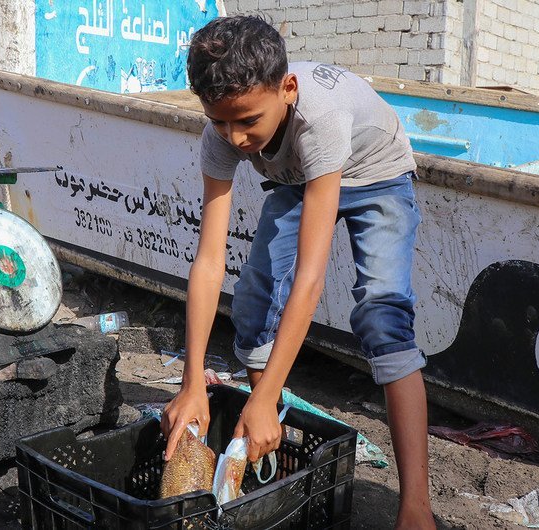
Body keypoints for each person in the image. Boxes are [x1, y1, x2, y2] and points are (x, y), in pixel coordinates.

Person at [160, 15, 435, 529]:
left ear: (287, 89)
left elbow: (311, 276)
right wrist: (191, 379)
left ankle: (416, 504)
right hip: (299, 177)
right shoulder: (221, 131)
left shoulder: (318, 117)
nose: (235, 138)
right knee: (253, 302)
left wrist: (261, 395)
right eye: (219, 122)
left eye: (247, 121)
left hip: (374, 172)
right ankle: (271, 440)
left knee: (382, 317)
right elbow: (209, 259)